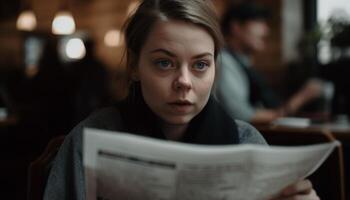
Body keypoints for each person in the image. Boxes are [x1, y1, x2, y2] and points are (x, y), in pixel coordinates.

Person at [43, 0, 319, 199]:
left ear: (214, 69)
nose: (184, 82)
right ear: (134, 67)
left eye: (200, 65)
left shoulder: (247, 144)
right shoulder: (90, 140)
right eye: (164, 63)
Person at [215, 2, 323, 124]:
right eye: (259, 22)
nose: (266, 30)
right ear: (236, 27)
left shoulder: (243, 63)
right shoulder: (225, 62)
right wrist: (301, 98)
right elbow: (243, 116)